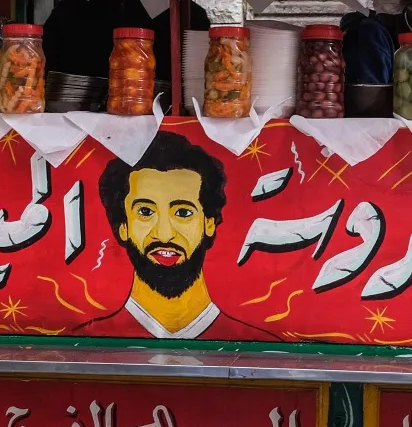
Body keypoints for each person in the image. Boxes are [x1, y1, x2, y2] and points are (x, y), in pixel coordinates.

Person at [81, 131, 272, 340]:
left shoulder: (258, 345)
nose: (164, 235)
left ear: (209, 223)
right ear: (123, 226)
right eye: (145, 212)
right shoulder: (88, 344)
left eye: (183, 213)